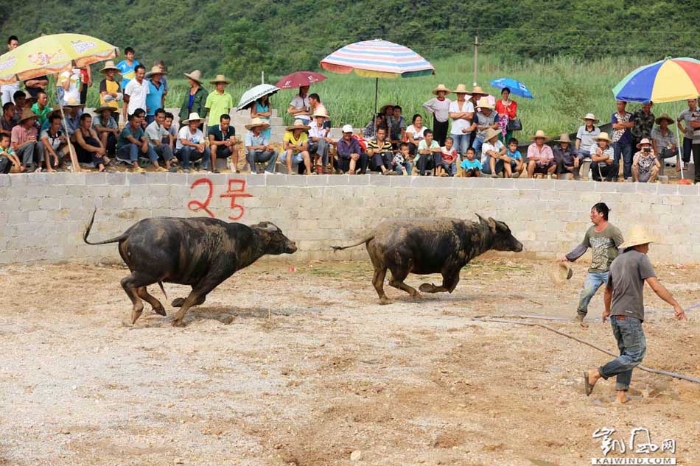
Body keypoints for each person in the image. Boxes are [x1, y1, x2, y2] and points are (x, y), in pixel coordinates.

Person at [584, 226, 686, 404]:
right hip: (630, 315)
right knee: (635, 355)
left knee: (626, 354)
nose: (648, 247)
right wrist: (675, 304)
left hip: (616, 315)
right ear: (639, 245)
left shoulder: (616, 261)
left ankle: (621, 394)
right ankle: (596, 373)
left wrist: (607, 310)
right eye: (646, 244)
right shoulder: (641, 258)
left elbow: (608, 290)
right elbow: (655, 286)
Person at [562, 202, 624, 323]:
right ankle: (580, 315)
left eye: (593, 213)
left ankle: (619, 317)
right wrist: (568, 257)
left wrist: (620, 268)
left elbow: (622, 248)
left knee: (618, 294)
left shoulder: (613, 231)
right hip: (594, 271)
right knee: (586, 292)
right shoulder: (591, 231)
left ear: (601, 214)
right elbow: (583, 246)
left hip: (610, 271)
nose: (591, 215)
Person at [145, 108, 176, 172]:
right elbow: (157, 143)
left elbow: (169, 135)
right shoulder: (151, 127)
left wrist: (171, 144)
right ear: (155, 117)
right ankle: (169, 166)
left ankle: (171, 160)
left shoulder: (160, 126)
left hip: (157, 148)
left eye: (163, 117)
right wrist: (168, 148)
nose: (161, 119)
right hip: (150, 150)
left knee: (167, 146)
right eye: (160, 117)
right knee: (165, 146)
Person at [611, 100, 635, 180]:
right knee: (615, 159)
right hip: (616, 140)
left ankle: (627, 176)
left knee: (627, 160)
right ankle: (614, 175)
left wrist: (622, 124)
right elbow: (614, 126)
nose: (618, 106)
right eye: (617, 104)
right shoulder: (614, 115)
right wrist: (626, 125)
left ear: (624, 105)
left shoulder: (630, 115)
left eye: (620, 104)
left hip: (627, 140)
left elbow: (632, 124)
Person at [449, 84, 474, 158]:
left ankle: (464, 167)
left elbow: (470, 116)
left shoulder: (469, 104)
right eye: (459, 93)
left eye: (462, 93)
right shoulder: (452, 103)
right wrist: (464, 113)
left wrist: (458, 114)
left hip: (465, 130)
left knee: (464, 151)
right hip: (455, 130)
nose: (460, 95)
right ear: (457, 94)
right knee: (454, 151)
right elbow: (452, 116)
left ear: (465, 94)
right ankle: (455, 167)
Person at [308, 108, 333, 174]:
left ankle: (320, 161)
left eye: (322, 117)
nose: (321, 119)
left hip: (323, 146)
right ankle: (324, 165)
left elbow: (327, 140)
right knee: (323, 141)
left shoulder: (326, 126)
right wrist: (324, 138)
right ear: (316, 118)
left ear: (324, 118)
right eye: (319, 117)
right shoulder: (311, 125)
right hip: (313, 145)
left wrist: (326, 133)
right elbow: (313, 139)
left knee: (326, 145)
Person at [677, 98, 699, 169]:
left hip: (697, 137)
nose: (690, 103)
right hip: (688, 136)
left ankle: (697, 168)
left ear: (695, 102)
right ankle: (685, 166)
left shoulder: (699, 111)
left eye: (692, 101)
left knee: (697, 154)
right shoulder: (684, 112)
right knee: (686, 153)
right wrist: (682, 130)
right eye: (689, 102)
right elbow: (678, 120)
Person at [1, 36, 20, 105]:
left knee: (16, 105)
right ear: (9, 45)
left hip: (14, 84)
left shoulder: (19, 57)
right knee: (5, 106)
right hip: (4, 85)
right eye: (14, 45)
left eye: (17, 45)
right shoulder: (3, 58)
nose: (16, 46)